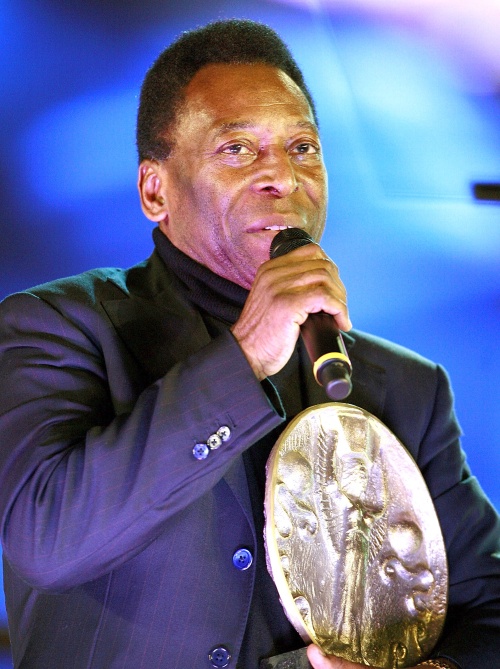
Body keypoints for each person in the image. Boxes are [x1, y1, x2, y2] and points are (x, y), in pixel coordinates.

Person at [0, 18, 498, 669]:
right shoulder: (56, 326)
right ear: (154, 190)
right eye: (238, 148)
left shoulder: (405, 385)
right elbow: (45, 541)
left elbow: (488, 604)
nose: (283, 178)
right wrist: (244, 358)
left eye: (303, 147)